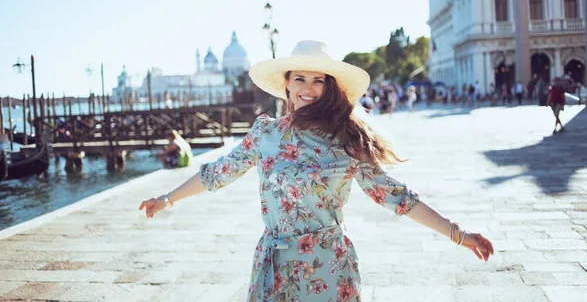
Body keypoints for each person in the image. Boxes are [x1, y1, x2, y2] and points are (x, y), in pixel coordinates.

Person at [139, 40, 494, 301]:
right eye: (300, 79)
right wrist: (167, 198)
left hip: (328, 268)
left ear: (328, 87)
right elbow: (217, 172)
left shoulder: (346, 140)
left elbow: (397, 197)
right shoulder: (266, 133)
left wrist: (458, 235)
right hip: (274, 266)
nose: (308, 88)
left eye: (318, 80)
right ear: (287, 85)